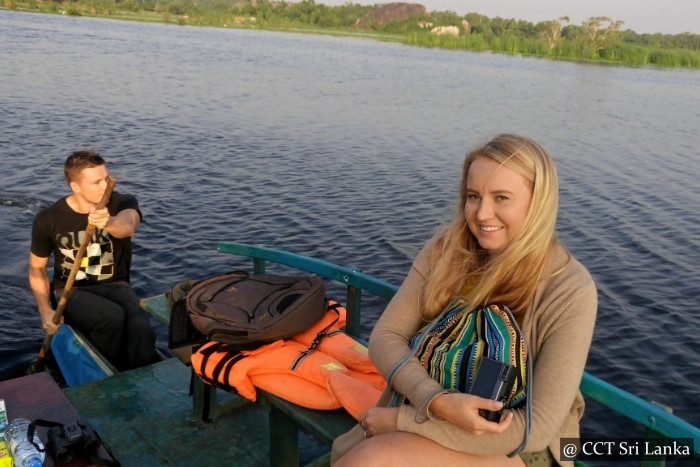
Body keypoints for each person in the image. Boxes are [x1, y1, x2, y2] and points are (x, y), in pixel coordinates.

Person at [332, 134, 598, 466]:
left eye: (501, 197)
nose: (483, 214)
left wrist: (402, 422)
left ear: (538, 202)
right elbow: (386, 338)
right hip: (427, 409)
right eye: (474, 196)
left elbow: (537, 427)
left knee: (372, 460)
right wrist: (437, 402)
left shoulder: (569, 289)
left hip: (516, 447)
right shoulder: (446, 251)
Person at [29, 150, 159, 371]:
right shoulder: (48, 219)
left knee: (141, 328)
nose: (105, 186)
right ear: (76, 186)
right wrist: (44, 310)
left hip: (115, 284)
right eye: (96, 182)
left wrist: (108, 222)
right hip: (71, 289)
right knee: (110, 318)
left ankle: (146, 377)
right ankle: (106, 374)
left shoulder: (121, 202)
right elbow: (37, 268)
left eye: (106, 178)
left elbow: (128, 226)